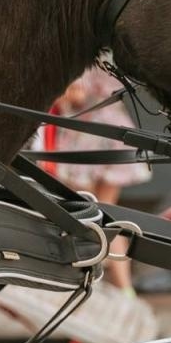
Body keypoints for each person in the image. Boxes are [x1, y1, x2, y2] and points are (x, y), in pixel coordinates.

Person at [53, 64, 153, 292]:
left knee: (85, 213)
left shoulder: (79, 61)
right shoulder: (106, 59)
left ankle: (90, 281)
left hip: (88, 137)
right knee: (107, 214)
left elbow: (76, 96)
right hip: (115, 131)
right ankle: (126, 291)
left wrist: (63, 98)